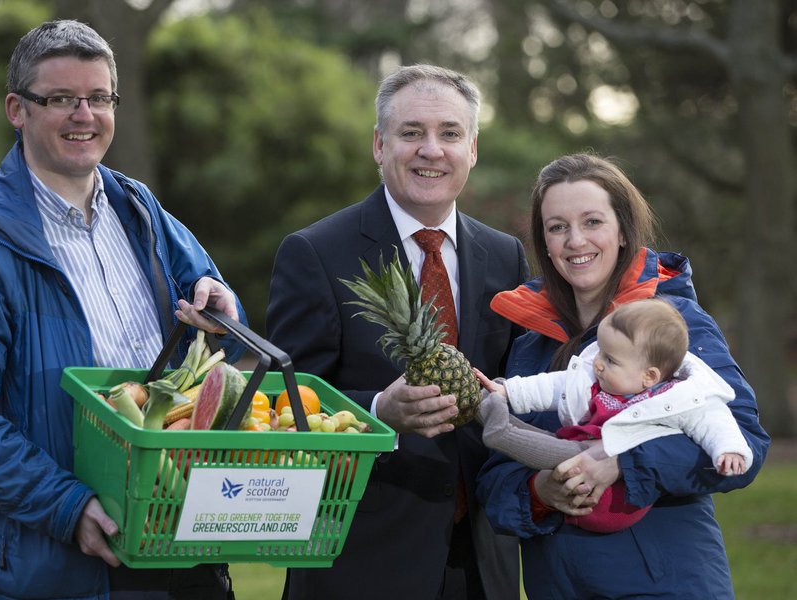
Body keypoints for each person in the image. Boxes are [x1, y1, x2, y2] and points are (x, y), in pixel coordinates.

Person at [0, 20, 245, 600]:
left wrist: (224, 307)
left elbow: (220, 326)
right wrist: (68, 506)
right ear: (17, 108)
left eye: (98, 98)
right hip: (51, 565)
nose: (83, 115)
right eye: (61, 99)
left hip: (178, 543)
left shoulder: (142, 212)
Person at [266, 64, 529, 600]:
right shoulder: (316, 252)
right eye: (412, 133)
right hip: (361, 558)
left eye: (450, 133)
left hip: (483, 559)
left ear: (472, 149)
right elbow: (282, 406)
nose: (431, 149)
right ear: (379, 146)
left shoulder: (506, 255)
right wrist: (378, 410)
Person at [476, 152, 770, 599]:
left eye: (592, 221)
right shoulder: (529, 342)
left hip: (662, 582)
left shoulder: (673, 322)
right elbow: (496, 473)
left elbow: (744, 441)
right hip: (557, 585)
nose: (575, 241)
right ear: (544, 242)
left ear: (622, 230)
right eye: (557, 227)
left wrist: (622, 463)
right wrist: (540, 490)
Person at [475, 297, 752, 533]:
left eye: (610, 360)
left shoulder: (677, 398)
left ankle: (502, 433)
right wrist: (507, 391)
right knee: (553, 441)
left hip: (613, 501)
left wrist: (729, 450)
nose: (598, 363)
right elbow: (551, 386)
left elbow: (715, 420)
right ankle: (494, 412)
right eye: (601, 352)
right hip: (579, 464)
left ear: (649, 376)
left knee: (568, 453)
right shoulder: (596, 380)